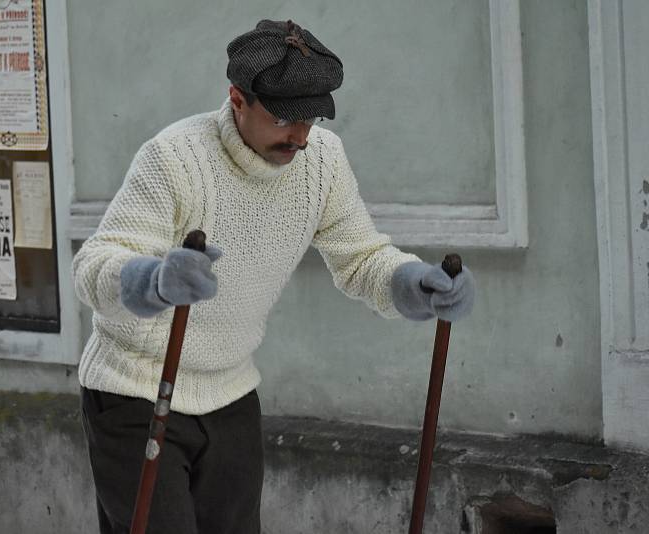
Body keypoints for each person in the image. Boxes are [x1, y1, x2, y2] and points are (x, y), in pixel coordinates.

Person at [72, 19, 475, 534]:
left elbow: (360, 257)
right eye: (286, 118)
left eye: (313, 119)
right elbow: (95, 264)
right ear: (237, 98)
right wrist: (151, 280)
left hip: (231, 390)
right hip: (137, 390)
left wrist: (412, 283)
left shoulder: (323, 161)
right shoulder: (174, 157)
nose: (301, 136)